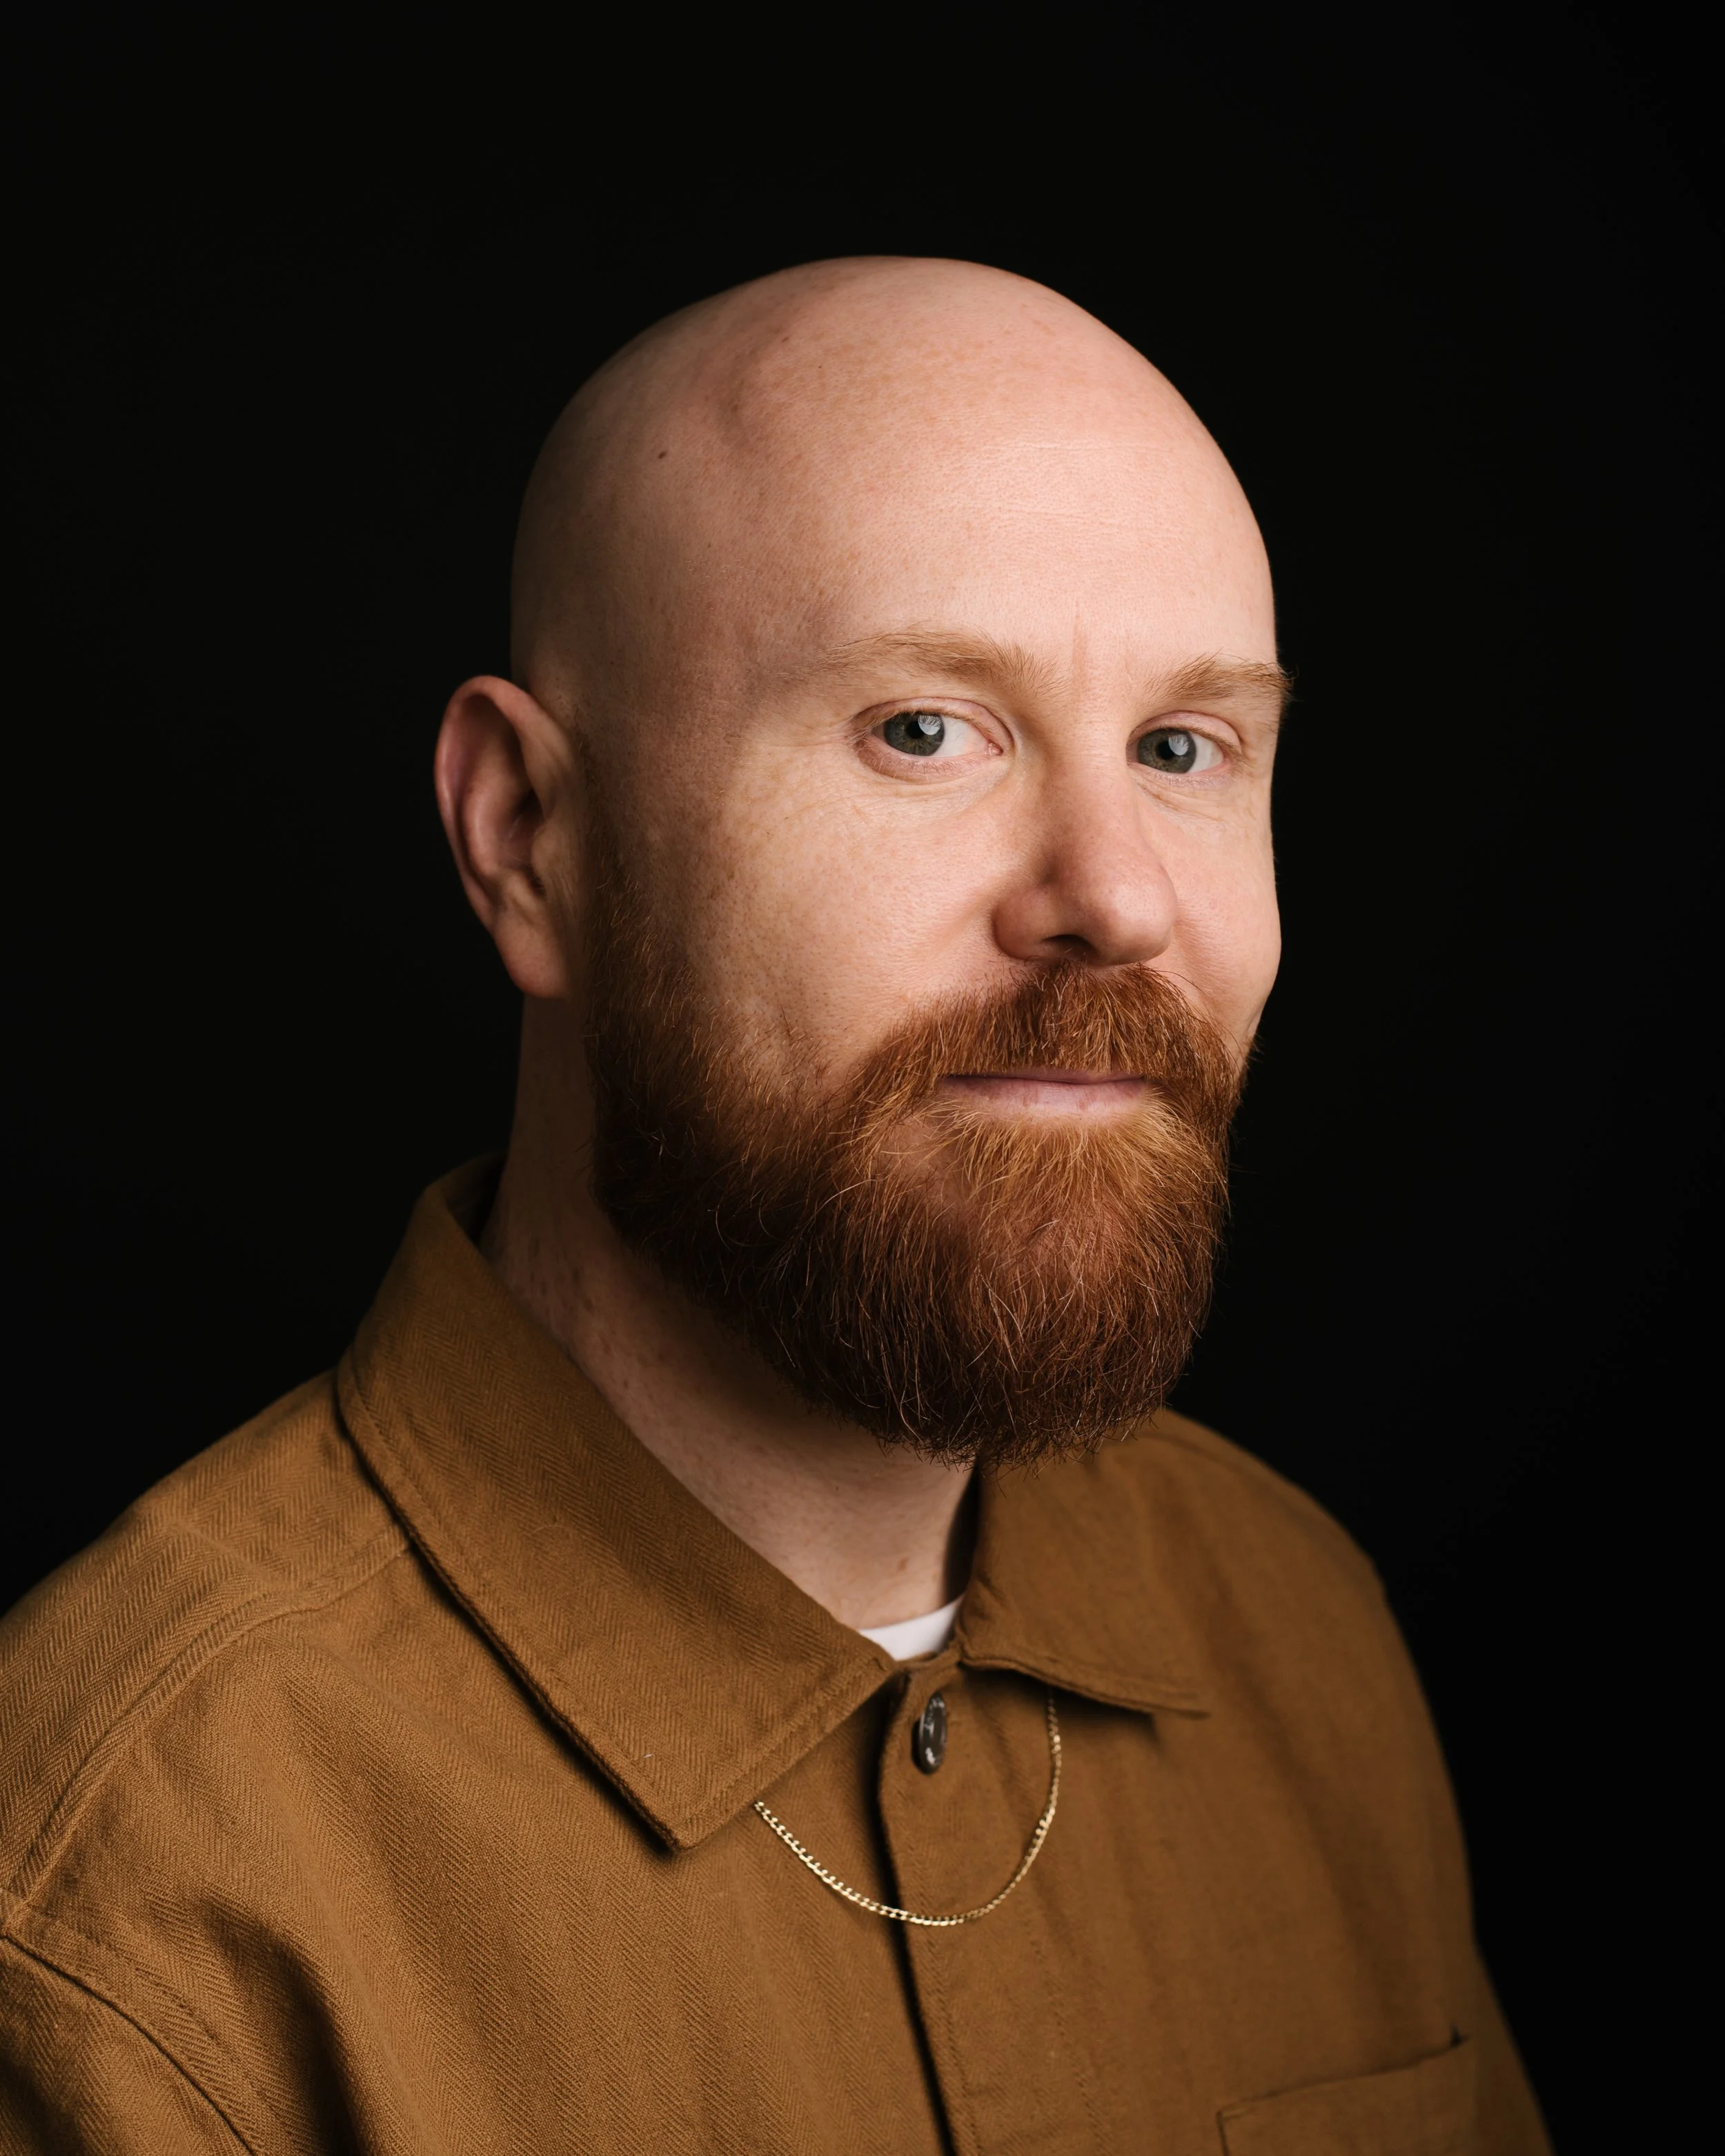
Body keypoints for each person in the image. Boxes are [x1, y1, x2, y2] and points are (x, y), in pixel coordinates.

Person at [0, 257, 1549, 2153]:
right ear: (528, 839)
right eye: (924, 729)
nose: (1118, 897)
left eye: (1181, 748)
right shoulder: (114, 1902)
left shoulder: (1295, 1625)